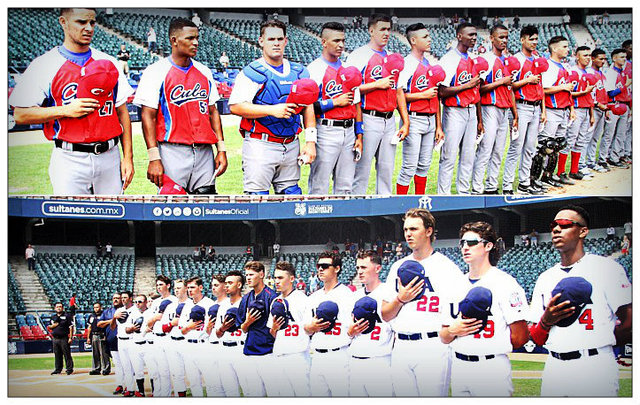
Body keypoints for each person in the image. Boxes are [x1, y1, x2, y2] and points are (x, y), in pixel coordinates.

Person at [8, 8, 134, 195]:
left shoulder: (108, 62)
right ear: (63, 22)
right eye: (81, 22)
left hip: (110, 155)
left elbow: (122, 112)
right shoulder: (44, 64)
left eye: (92, 23)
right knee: (71, 221)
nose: (89, 28)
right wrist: (65, 110)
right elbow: (20, 114)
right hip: (70, 157)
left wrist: (128, 157)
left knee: (112, 219)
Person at [528, 205, 632, 396]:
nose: (556, 229)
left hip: (595, 364)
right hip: (554, 367)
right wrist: (546, 322)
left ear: (583, 231)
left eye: (565, 224)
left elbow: (630, 324)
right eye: (553, 225)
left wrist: (601, 341)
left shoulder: (607, 268)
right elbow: (536, 337)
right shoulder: (545, 277)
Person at [135, 18, 227, 195]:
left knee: (206, 204)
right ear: (174, 40)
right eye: (190, 38)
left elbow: (213, 112)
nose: (196, 42)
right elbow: (148, 116)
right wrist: (154, 157)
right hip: (172, 150)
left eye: (197, 38)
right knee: (173, 207)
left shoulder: (204, 71)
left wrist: (221, 149)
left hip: (204, 151)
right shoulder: (155, 72)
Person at [381, 208, 466, 396]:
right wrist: (400, 299)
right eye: (405, 230)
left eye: (414, 229)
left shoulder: (447, 268)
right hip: (401, 345)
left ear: (429, 231)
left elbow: (454, 317)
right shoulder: (397, 267)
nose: (408, 234)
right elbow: (385, 314)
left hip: (432, 345)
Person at [440, 222, 529, 396]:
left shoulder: (505, 282)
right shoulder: (453, 285)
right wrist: (452, 330)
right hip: (459, 365)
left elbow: (520, 336)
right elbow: (443, 336)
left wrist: (491, 345)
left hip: (491, 366)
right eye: (463, 243)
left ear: (488, 245)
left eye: (472, 242)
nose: (465, 247)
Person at [229, 19, 316, 195]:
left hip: (291, 143)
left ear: (286, 41)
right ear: (261, 41)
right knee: (257, 199)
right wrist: (271, 110)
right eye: (271, 39)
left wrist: (311, 141)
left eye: (279, 39)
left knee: (291, 196)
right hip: (261, 143)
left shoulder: (299, 72)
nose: (276, 43)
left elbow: (308, 106)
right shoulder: (252, 72)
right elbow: (236, 106)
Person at [346, 13, 409, 194]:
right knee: (362, 170)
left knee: (387, 170)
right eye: (382, 29)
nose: (387, 33)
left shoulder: (394, 57)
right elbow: (350, 91)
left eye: (389, 29)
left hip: (389, 120)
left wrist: (405, 121)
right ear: (371, 30)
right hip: (368, 117)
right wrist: (376, 84)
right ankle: (357, 211)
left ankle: (384, 211)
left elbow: (399, 91)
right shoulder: (359, 56)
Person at [307, 22, 363, 194]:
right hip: (325, 130)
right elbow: (307, 107)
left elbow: (357, 104)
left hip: (349, 132)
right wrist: (334, 102)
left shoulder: (349, 69)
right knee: (319, 186)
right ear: (324, 42)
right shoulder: (314, 69)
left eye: (343, 41)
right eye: (336, 41)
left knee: (345, 187)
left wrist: (359, 136)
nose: (341, 45)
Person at [396, 23, 443, 195]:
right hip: (414, 118)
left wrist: (438, 125)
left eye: (428, 36)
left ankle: (419, 201)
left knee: (424, 165)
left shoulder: (429, 63)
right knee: (409, 166)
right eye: (425, 37)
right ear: (413, 40)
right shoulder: (407, 64)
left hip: (431, 119)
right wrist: (422, 96)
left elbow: (435, 95)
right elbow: (398, 94)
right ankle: (401, 203)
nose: (429, 40)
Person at [437, 22, 482, 195]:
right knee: (448, 156)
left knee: (468, 156)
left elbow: (477, 91)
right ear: (459, 36)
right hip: (454, 111)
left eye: (475, 35)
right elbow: (441, 91)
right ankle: (444, 194)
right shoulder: (449, 59)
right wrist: (466, 85)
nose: (474, 38)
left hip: (471, 111)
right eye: (470, 34)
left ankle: (463, 192)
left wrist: (479, 119)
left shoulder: (473, 58)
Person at [471, 24, 517, 194]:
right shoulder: (486, 60)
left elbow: (510, 89)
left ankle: (491, 186)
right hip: (489, 107)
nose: (504, 40)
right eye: (500, 37)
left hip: (504, 110)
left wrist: (515, 114)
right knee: (485, 150)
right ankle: (477, 188)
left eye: (506, 37)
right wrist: (501, 82)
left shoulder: (507, 60)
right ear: (491, 38)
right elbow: (478, 88)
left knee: (498, 152)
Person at [503, 25, 547, 194]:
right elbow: (509, 85)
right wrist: (527, 79)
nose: (534, 42)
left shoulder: (537, 59)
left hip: (535, 106)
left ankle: (524, 183)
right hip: (521, 106)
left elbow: (541, 86)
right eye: (531, 39)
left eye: (536, 39)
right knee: (516, 147)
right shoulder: (517, 60)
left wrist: (543, 111)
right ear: (522, 39)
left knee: (530, 148)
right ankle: (507, 185)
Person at [303, 251, 355, 396]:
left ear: (337, 268)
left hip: (339, 354)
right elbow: (306, 328)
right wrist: (311, 327)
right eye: (319, 266)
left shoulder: (347, 295)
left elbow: (353, 327)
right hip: (318, 355)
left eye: (325, 266)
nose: (320, 269)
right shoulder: (313, 297)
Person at [348, 250, 394, 396]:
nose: (360, 272)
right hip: (355, 359)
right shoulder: (354, 296)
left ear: (378, 268)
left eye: (364, 267)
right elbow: (348, 330)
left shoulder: (389, 293)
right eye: (358, 268)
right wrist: (350, 332)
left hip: (379, 361)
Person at [267, 261, 311, 396]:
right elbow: (272, 332)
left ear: (292, 279)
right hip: (279, 353)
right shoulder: (275, 301)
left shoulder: (303, 299)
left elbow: (309, 329)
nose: (276, 281)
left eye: (280, 278)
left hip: (297, 355)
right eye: (275, 278)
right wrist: (274, 328)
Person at [538, 36, 576, 186]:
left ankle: (549, 175)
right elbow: (543, 89)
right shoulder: (548, 66)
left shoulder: (564, 66)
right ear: (554, 48)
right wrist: (563, 87)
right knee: (546, 146)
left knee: (558, 146)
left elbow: (568, 92)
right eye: (564, 46)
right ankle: (537, 177)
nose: (568, 49)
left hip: (563, 110)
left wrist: (571, 108)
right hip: (552, 110)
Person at [237, 261, 279, 396]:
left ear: (261, 274)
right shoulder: (246, 298)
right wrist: (248, 321)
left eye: (251, 274)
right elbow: (243, 328)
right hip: (249, 350)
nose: (248, 278)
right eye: (246, 275)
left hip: (268, 351)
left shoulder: (272, 296)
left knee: (274, 393)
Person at [561, 46, 596, 182]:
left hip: (586, 109)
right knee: (570, 140)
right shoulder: (573, 71)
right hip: (576, 108)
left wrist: (592, 114)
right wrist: (572, 109)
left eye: (589, 55)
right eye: (584, 55)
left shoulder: (588, 72)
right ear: (577, 56)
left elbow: (591, 96)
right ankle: (561, 172)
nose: (587, 58)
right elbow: (568, 92)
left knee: (580, 141)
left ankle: (574, 171)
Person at [178, 276, 216, 397]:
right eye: (188, 287)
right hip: (188, 345)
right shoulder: (187, 305)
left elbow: (212, 329)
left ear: (200, 287)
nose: (190, 290)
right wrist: (188, 327)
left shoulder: (210, 304)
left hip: (203, 345)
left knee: (210, 381)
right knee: (193, 382)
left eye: (192, 287)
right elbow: (182, 330)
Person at [579, 48, 611, 174]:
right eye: (600, 59)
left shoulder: (601, 73)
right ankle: (582, 164)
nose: (603, 61)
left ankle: (591, 162)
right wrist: (597, 105)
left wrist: (606, 107)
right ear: (593, 58)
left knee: (595, 138)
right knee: (586, 138)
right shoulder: (589, 73)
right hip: (593, 108)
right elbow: (589, 95)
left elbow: (603, 93)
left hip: (602, 109)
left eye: (604, 59)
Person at [599, 48, 632, 169]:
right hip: (613, 105)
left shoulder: (624, 72)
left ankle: (615, 158)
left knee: (621, 134)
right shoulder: (610, 72)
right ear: (614, 58)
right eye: (621, 57)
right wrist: (625, 85)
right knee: (609, 134)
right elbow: (610, 93)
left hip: (624, 105)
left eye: (625, 57)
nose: (624, 59)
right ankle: (603, 158)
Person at [215, 271, 246, 396]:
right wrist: (222, 328)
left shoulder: (247, 303)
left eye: (230, 283)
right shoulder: (222, 306)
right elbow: (217, 333)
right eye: (226, 283)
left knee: (249, 389)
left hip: (241, 347)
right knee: (230, 391)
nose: (226, 285)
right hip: (224, 348)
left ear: (239, 285)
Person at [146, 275, 177, 397]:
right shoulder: (156, 302)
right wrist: (154, 318)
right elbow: (149, 323)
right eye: (157, 285)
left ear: (168, 285)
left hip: (168, 338)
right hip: (156, 337)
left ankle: (166, 396)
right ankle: (158, 394)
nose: (159, 287)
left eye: (161, 284)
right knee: (157, 371)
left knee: (168, 372)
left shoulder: (175, 301)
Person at [163, 279, 191, 397]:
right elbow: (163, 328)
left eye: (179, 288)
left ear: (186, 289)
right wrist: (171, 324)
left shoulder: (192, 304)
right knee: (177, 374)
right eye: (175, 288)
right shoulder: (170, 306)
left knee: (192, 374)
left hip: (187, 342)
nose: (176, 290)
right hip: (173, 341)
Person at [110, 291, 140, 397]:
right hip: (121, 340)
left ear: (130, 298)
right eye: (122, 297)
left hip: (131, 339)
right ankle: (130, 389)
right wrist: (114, 317)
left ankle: (138, 389)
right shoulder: (119, 310)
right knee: (126, 366)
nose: (123, 299)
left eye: (125, 297)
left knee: (135, 366)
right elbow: (112, 327)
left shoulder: (136, 310)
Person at [202, 274, 228, 396]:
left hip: (223, 346)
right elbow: (207, 331)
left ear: (224, 286)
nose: (213, 288)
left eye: (216, 285)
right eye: (212, 285)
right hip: (210, 345)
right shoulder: (211, 305)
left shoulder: (229, 303)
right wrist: (208, 328)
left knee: (228, 386)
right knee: (212, 386)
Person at [97, 293, 122, 391]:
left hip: (124, 340)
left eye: (117, 298)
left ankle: (131, 386)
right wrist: (112, 320)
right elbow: (99, 324)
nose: (115, 300)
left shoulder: (125, 310)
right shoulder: (107, 312)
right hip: (111, 341)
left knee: (128, 365)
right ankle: (120, 384)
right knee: (117, 364)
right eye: (114, 298)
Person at [126, 294, 149, 397]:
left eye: (140, 302)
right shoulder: (132, 314)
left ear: (145, 302)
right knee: (138, 371)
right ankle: (141, 392)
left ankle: (155, 392)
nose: (137, 304)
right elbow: (126, 330)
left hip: (148, 344)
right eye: (136, 302)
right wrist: (130, 329)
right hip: (135, 344)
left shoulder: (151, 312)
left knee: (153, 371)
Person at [48, 302, 75, 375]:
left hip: (64, 338)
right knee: (57, 354)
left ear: (62, 308)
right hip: (55, 338)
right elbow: (50, 326)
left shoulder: (67, 316)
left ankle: (69, 369)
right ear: (55, 308)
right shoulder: (53, 317)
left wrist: (70, 337)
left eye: (60, 306)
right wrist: (54, 325)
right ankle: (58, 369)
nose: (59, 308)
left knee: (67, 354)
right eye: (57, 307)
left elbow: (71, 327)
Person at [87, 302, 109, 375]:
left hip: (102, 334)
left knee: (104, 353)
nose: (96, 309)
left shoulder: (104, 315)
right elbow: (89, 327)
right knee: (95, 353)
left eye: (97, 307)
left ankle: (106, 368)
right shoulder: (91, 316)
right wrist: (88, 337)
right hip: (94, 335)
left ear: (100, 307)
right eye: (94, 307)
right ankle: (96, 368)